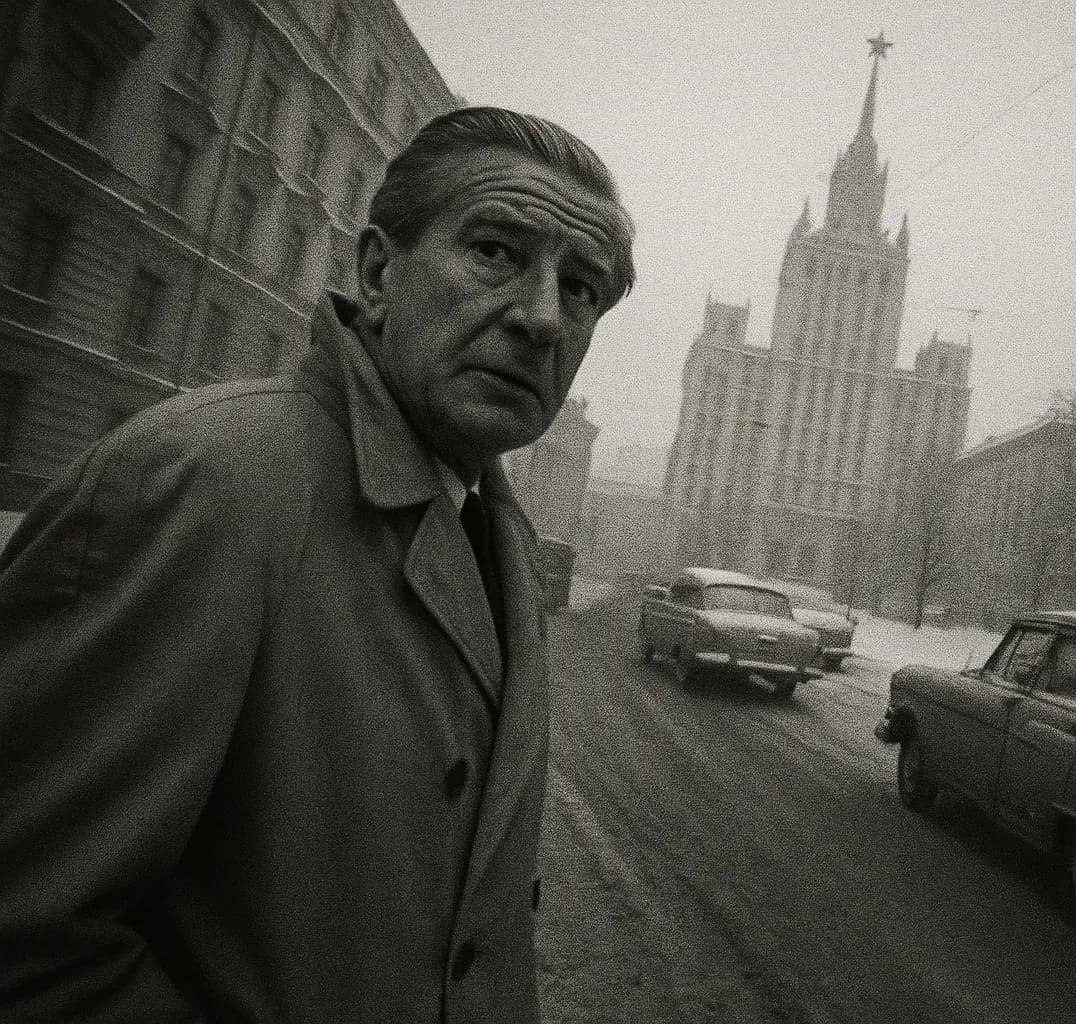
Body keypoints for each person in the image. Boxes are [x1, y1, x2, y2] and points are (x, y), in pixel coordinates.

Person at [0, 107, 634, 1023]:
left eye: (580, 289)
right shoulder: (210, 480)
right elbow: (29, 941)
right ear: (379, 272)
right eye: (496, 252)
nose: (542, 317)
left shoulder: (497, 530)